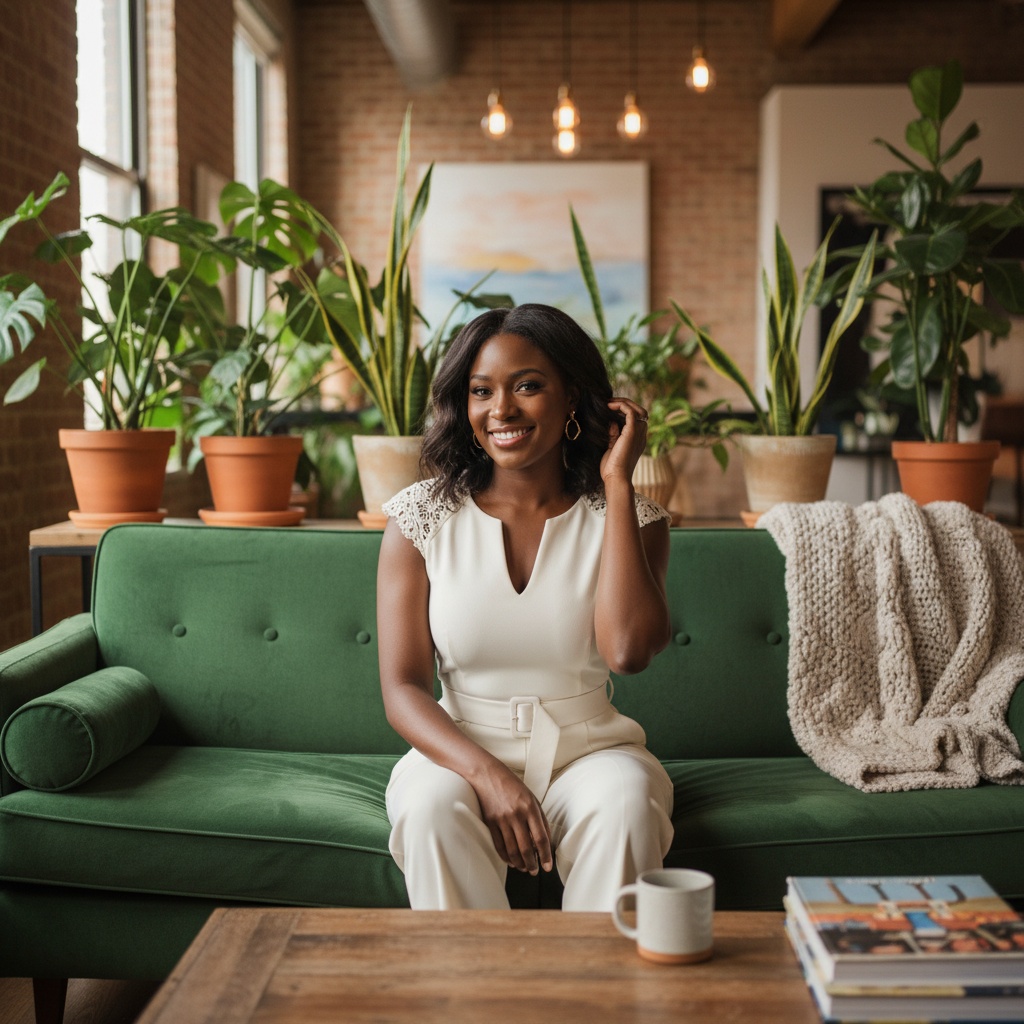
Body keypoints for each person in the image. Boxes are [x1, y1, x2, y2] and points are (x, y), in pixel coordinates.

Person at [377, 302, 675, 911]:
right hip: (456, 751)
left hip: (592, 752)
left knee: (625, 807)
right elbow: (402, 689)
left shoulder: (630, 519)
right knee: (431, 808)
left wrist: (618, 482)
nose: (501, 410)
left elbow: (628, 652)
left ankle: (592, 1002)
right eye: (481, 391)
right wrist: (487, 775)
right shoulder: (419, 517)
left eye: (528, 386)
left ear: (574, 399)